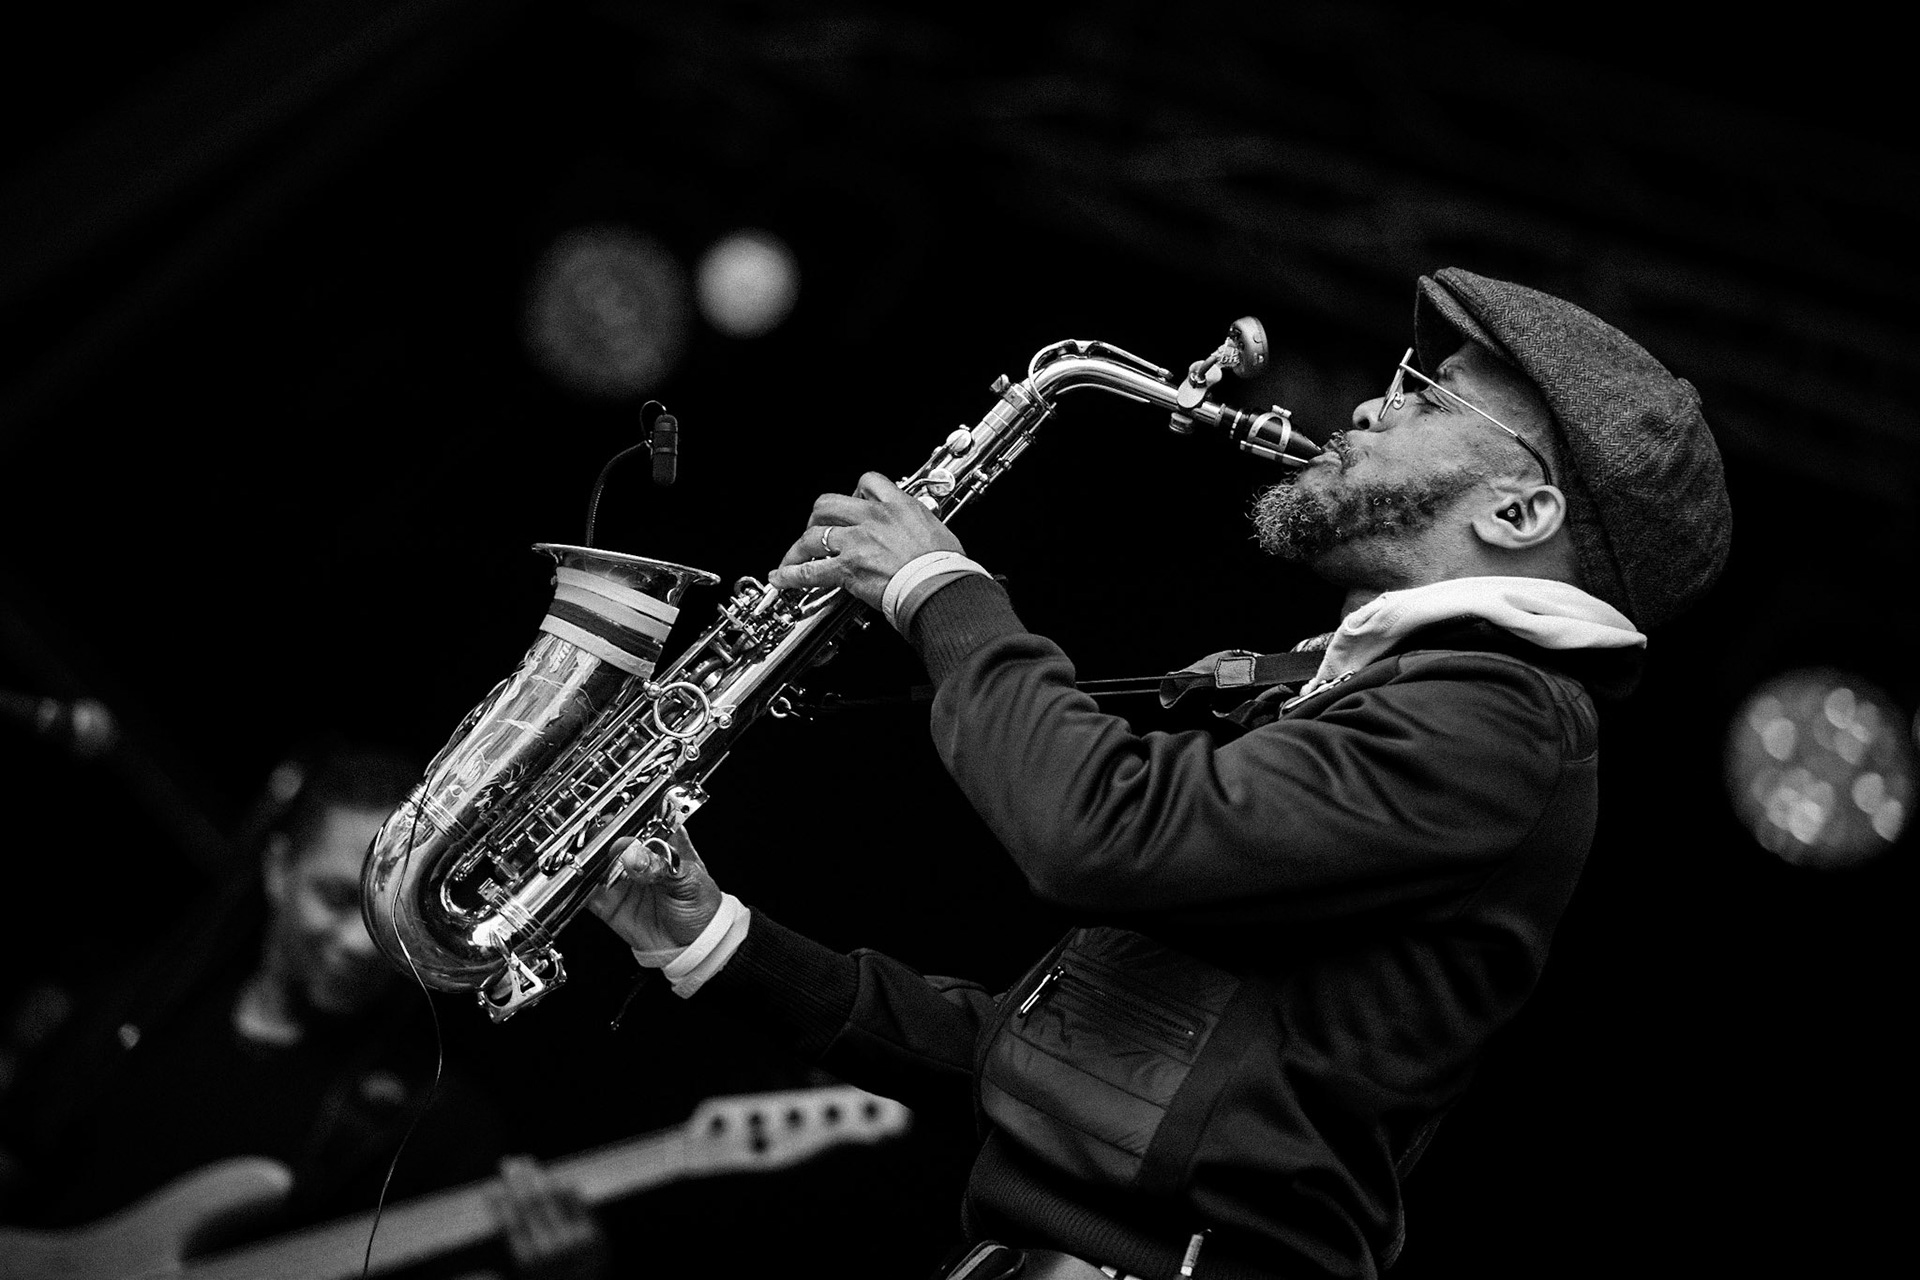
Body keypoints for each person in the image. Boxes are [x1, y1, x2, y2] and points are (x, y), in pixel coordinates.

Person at [586, 267, 1733, 1280]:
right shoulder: (1400, 699)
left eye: (1430, 394)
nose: (1376, 403)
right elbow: (1040, 1062)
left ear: (1523, 507)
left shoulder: (1499, 721)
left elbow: (1097, 831)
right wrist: (708, 936)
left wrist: (944, 592)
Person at [0, 739, 608, 1280]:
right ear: (277, 868)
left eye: (389, 918)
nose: (358, 942)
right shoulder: (145, 995)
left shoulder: (433, 1121)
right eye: (339, 898)